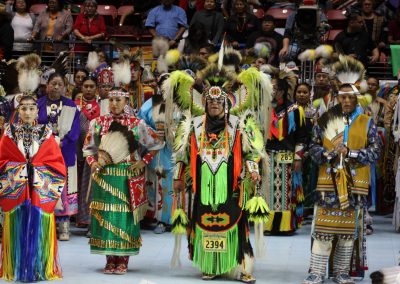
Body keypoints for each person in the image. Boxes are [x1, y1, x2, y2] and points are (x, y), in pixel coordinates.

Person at [173, 64, 265, 283]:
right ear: (204, 103)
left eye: (219, 101)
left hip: (232, 185)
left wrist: (252, 171)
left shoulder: (238, 124)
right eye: (211, 101)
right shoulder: (193, 125)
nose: (214, 104)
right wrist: (178, 177)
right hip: (203, 185)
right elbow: (182, 154)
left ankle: (242, 266)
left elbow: (253, 152)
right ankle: (210, 265)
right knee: (205, 223)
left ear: (226, 103)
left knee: (236, 223)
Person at [303, 56, 381, 284]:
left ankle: (341, 272)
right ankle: (317, 272)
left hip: (355, 185)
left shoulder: (367, 122)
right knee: (323, 229)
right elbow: (313, 147)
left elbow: (375, 152)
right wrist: (329, 155)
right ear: (336, 98)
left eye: (350, 97)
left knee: (348, 232)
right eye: (342, 97)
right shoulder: (325, 120)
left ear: (356, 99)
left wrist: (352, 154)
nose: (346, 101)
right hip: (328, 184)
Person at [83, 86, 164, 275]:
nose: (114, 104)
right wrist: (93, 162)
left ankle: (123, 260)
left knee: (125, 216)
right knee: (107, 217)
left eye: (118, 100)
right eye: (111, 100)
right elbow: (88, 148)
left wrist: (143, 162)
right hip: (105, 176)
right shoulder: (97, 122)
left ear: (126, 102)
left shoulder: (137, 124)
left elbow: (157, 144)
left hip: (128, 176)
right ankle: (110, 259)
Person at [0, 94, 66, 281]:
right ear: (18, 111)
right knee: (18, 227)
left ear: (38, 111)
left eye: (31, 108)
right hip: (18, 187)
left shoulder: (45, 131)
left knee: (37, 228)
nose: (28, 112)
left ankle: (39, 267)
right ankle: (17, 267)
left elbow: (56, 162)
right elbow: (2, 159)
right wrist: (21, 167)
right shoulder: (9, 131)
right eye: (24, 108)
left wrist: (36, 167)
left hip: (38, 186)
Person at [37, 72, 80, 241]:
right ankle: (47, 224)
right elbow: (35, 126)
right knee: (45, 186)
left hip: (65, 151)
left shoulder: (71, 106)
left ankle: (64, 225)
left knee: (64, 187)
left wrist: (62, 142)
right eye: (52, 83)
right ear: (46, 85)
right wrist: (47, 142)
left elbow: (75, 130)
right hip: (43, 153)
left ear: (65, 87)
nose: (56, 87)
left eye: (59, 84)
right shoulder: (38, 104)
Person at [264, 71, 308, 235]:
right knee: (268, 194)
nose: (271, 91)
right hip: (268, 157)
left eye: (274, 88)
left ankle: (285, 226)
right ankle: (269, 225)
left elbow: (302, 136)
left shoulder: (295, 110)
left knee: (286, 195)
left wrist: (298, 157)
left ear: (282, 90)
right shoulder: (265, 109)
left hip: (287, 157)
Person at [74, 76, 100, 231]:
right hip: (77, 151)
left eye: (91, 86)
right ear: (81, 88)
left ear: (96, 88)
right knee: (79, 187)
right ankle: (79, 217)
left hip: (95, 153)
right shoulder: (75, 106)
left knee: (91, 188)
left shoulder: (102, 106)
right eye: (86, 86)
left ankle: (92, 220)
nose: (88, 89)